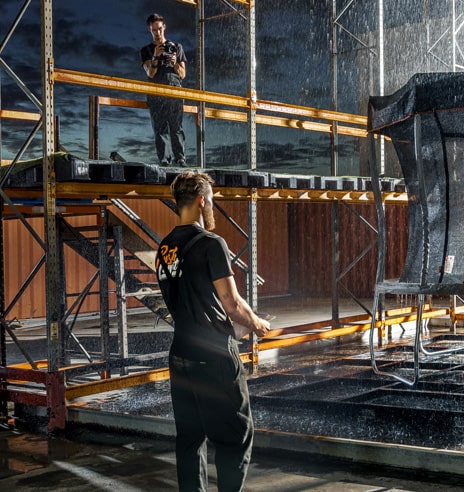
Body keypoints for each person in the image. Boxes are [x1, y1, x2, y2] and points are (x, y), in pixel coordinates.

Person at [156, 170, 270, 491]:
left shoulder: (165, 248)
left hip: (180, 355)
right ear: (203, 200)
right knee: (236, 436)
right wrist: (257, 323)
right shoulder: (211, 243)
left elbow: (185, 301)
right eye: (212, 201)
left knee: (190, 440)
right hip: (215, 356)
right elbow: (231, 303)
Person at [141, 13, 187, 166]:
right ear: (150, 30)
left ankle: (180, 158)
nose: (158, 33)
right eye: (154, 30)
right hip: (156, 94)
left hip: (175, 91)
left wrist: (174, 62)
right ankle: (165, 160)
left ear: (164, 27)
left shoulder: (176, 47)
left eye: (160, 29)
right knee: (160, 128)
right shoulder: (146, 50)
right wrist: (155, 56)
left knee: (176, 127)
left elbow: (183, 74)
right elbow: (150, 73)